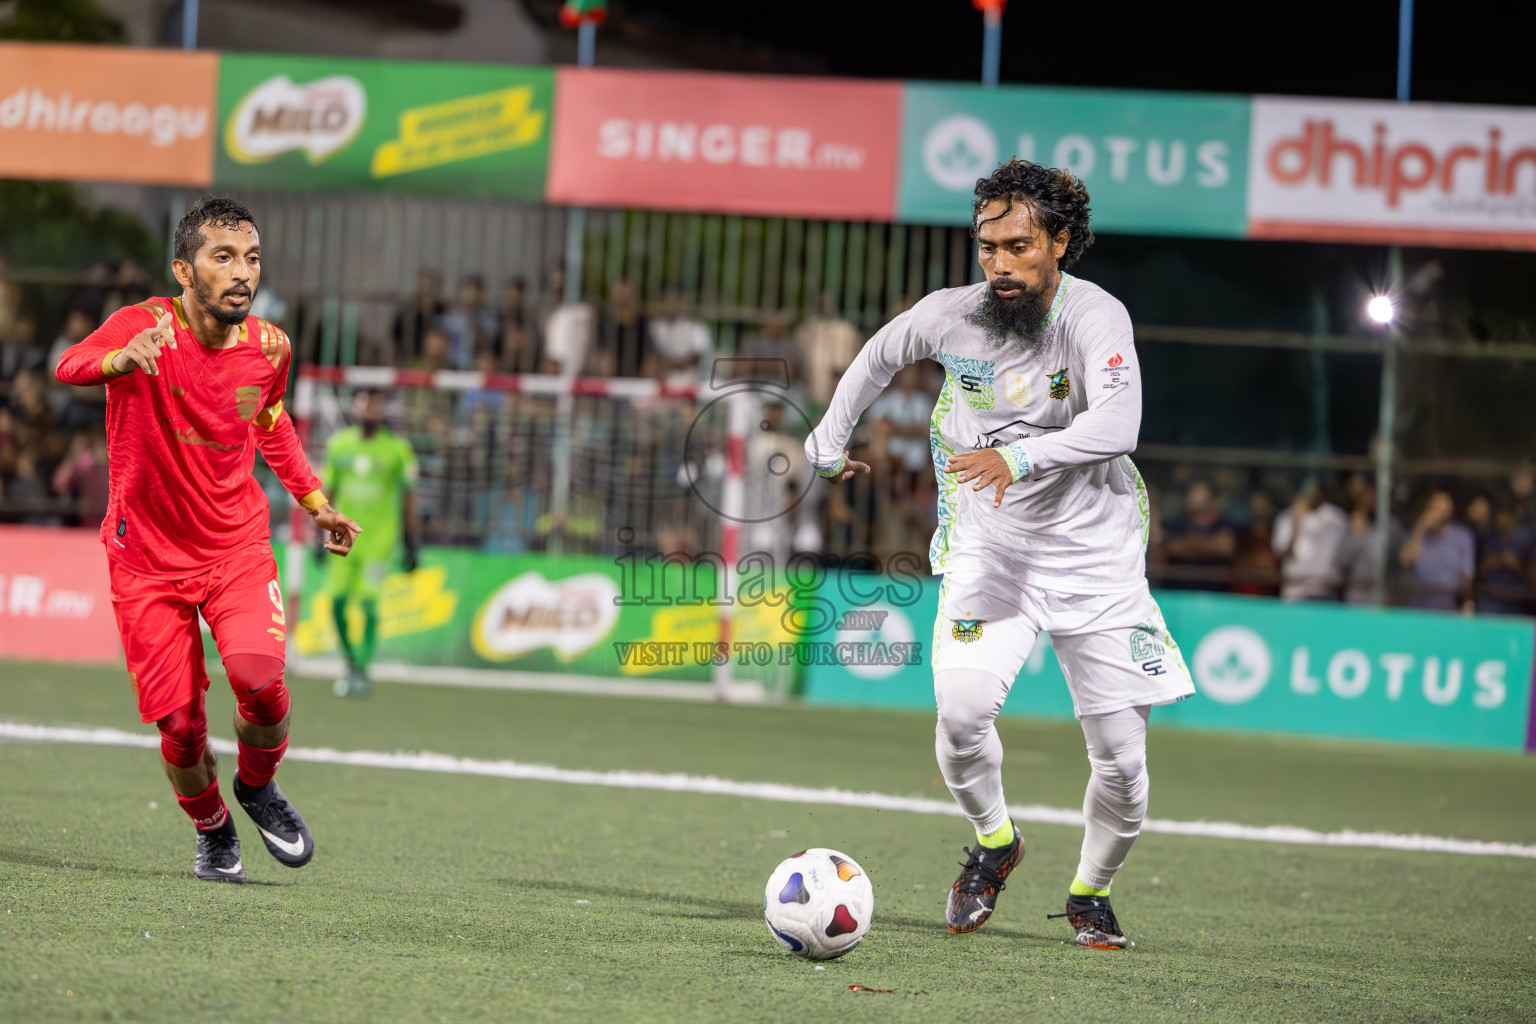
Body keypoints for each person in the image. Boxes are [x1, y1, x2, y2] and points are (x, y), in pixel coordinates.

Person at [804, 159, 1192, 950]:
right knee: (961, 716)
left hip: (1096, 560)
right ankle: (994, 843)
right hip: (993, 548)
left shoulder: (1095, 318)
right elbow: (879, 354)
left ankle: (1091, 892)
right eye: (988, 248)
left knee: (1121, 762)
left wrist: (1019, 458)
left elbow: (1120, 427)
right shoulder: (953, 316)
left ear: (1061, 241)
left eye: (1019, 246)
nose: (1001, 266)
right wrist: (827, 439)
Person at [54, 196, 362, 884]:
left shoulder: (270, 348)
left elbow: (268, 420)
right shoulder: (144, 326)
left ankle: (256, 787)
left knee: (261, 684)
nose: (242, 272)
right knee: (181, 730)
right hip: (145, 562)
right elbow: (69, 363)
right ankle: (213, 829)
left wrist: (315, 501)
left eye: (250, 257)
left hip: (235, 550)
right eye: (222, 257)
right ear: (184, 271)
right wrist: (119, 361)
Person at [321, 389, 419, 698]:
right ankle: (351, 660)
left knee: (367, 603)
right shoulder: (339, 445)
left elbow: (409, 497)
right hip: (343, 540)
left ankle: (361, 667)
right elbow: (328, 491)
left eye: (375, 404)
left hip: (379, 542)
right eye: (363, 402)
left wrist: (412, 542)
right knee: (336, 602)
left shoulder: (398, 450)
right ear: (354, 407)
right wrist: (317, 533)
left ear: (383, 411)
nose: (368, 409)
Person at [1271, 479, 1348, 601]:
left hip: (1325, 590)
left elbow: (1343, 555)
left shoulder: (1334, 518)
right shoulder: (1286, 518)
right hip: (1295, 591)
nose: (1311, 495)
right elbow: (1282, 553)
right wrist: (1297, 523)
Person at [1399, 489, 1475, 611]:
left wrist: (1467, 603)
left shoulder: (1461, 535)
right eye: (1434, 507)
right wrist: (1420, 528)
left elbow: (1467, 576)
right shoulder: (1420, 536)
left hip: (1448, 606)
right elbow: (1406, 560)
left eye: (1442, 507)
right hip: (1419, 606)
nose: (1437, 512)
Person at [1159, 480, 1238, 590]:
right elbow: (1168, 548)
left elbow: (1225, 547)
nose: (1195, 498)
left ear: (1212, 499)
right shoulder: (1177, 522)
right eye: (1193, 492)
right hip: (1179, 592)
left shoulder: (1223, 523)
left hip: (1216, 593)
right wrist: (1208, 546)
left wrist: (1190, 544)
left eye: (1201, 494)